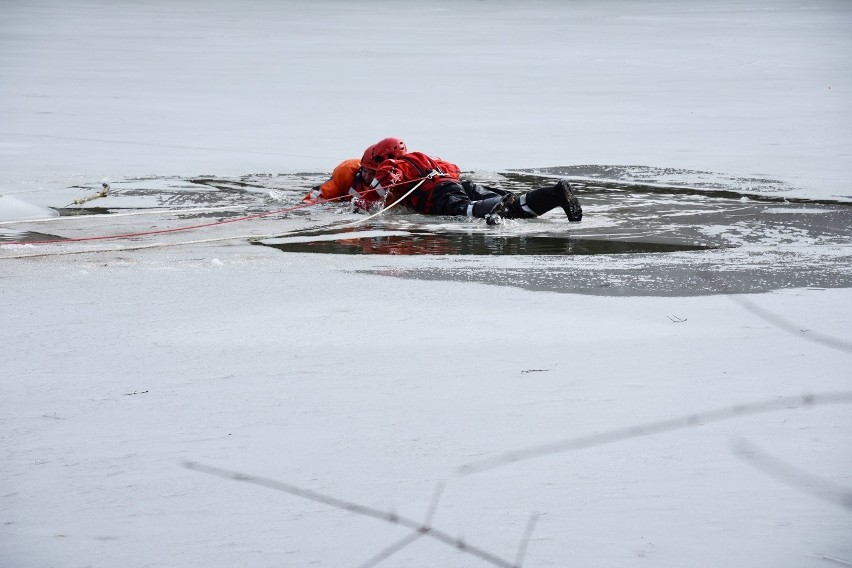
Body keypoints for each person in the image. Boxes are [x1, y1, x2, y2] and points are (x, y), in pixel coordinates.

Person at [360, 145, 583, 224]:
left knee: (463, 211)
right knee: (518, 207)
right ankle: (555, 194)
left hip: (437, 194)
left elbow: (381, 187)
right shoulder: (424, 157)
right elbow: (453, 169)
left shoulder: (391, 164)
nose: (369, 175)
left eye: (370, 169)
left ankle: (496, 204)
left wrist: (362, 205)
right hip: (457, 185)